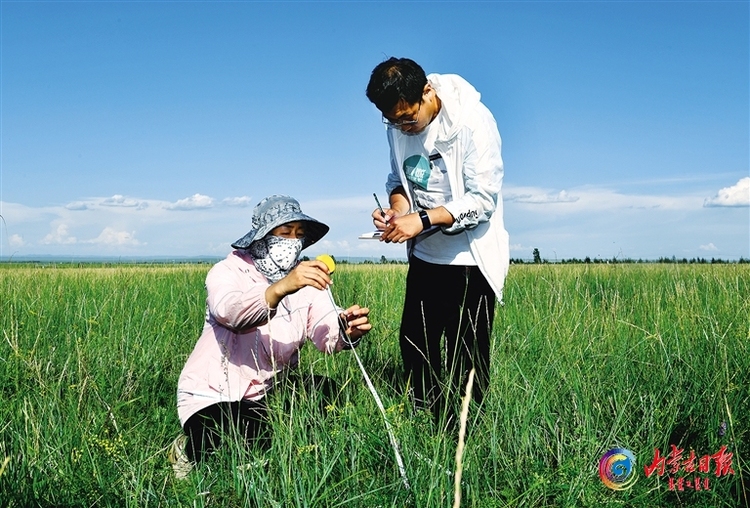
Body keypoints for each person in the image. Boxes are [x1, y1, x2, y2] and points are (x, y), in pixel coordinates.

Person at [171, 195, 371, 477]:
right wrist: (281, 288)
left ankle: (276, 441)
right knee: (242, 433)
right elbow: (232, 314)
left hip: (269, 391)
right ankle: (189, 448)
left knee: (324, 390)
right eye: (285, 232)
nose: (293, 241)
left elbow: (324, 328)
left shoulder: (308, 277)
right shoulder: (228, 271)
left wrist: (345, 328)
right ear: (262, 237)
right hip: (214, 392)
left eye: (299, 234)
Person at [365, 57, 509, 426]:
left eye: (407, 117)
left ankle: (464, 435)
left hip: (470, 261)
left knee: (468, 358)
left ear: (427, 91)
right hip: (426, 258)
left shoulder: (473, 122)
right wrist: (398, 212)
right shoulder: (397, 126)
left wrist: (423, 219)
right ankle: (425, 424)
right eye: (392, 120)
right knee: (416, 347)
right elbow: (397, 181)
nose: (402, 126)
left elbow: (483, 201)